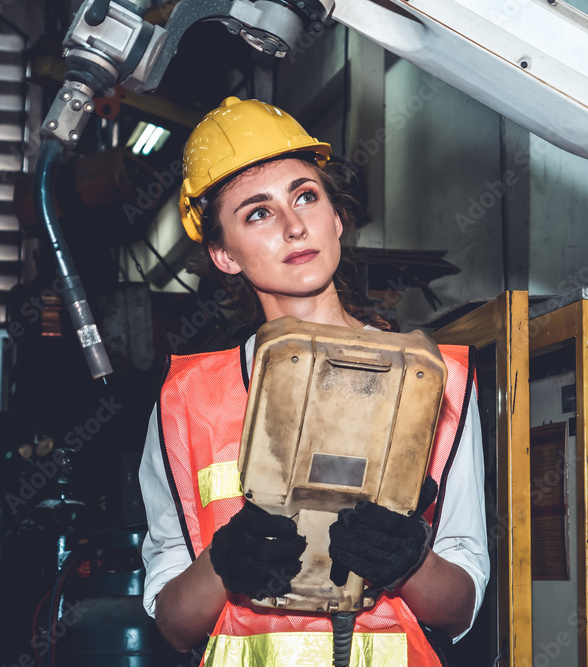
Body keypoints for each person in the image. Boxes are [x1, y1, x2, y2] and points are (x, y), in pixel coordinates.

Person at [138, 96, 489, 666]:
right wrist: (223, 564)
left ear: (337, 216)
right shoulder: (186, 398)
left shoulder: (437, 379)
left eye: (306, 196)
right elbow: (174, 626)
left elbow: (461, 606)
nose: (295, 225)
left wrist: (410, 562)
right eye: (258, 213)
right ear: (224, 254)